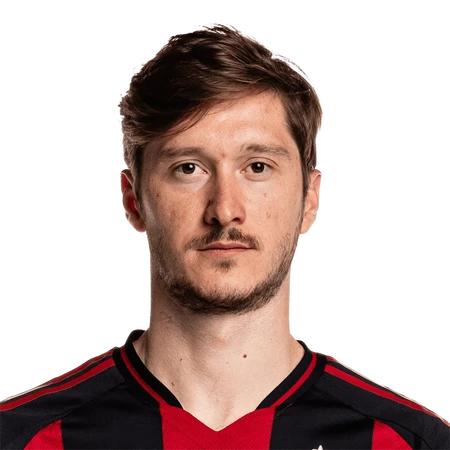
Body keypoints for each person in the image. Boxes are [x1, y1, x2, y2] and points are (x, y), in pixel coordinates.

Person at [1, 22, 448, 450]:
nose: (224, 209)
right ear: (133, 200)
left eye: (257, 166)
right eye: (188, 168)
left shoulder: (413, 443)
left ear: (310, 198)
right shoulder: (21, 439)